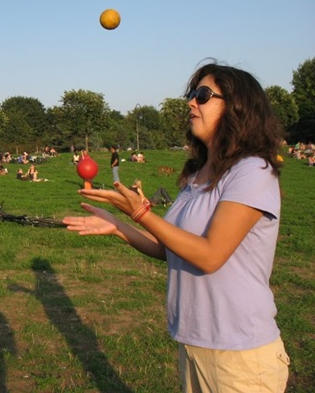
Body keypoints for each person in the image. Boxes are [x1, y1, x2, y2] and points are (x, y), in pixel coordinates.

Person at [64, 62, 289, 392]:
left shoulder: (252, 171)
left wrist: (141, 214)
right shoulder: (198, 174)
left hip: (241, 355)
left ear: (238, 107)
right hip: (195, 344)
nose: (190, 103)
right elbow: (171, 249)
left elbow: (210, 255)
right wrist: (118, 227)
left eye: (203, 95)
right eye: (191, 94)